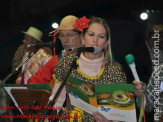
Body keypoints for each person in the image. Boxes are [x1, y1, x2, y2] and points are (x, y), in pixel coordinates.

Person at [49, 16, 127, 122]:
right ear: (82, 38)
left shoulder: (115, 70)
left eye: (101, 37)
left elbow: (121, 113)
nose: (95, 40)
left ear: (106, 43)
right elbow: (57, 101)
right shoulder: (66, 62)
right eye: (91, 35)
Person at [27, 15, 82, 86]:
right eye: (62, 35)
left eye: (70, 35)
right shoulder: (56, 60)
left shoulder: (91, 57)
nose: (65, 40)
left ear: (81, 36)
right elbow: (34, 82)